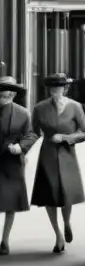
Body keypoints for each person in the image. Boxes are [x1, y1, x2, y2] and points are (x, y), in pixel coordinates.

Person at [31, 73, 85, 253]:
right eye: (52, 88)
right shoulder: (39, 108)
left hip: (67, 153)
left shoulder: (75, 106)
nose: (55, 91)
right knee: (48, 194)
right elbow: (33, 132)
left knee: (67, 193)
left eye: (59, 87)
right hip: (47, 153)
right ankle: (57, 234)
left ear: (65, 89)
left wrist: (66, 137)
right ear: (48, 89)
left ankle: (66, 222)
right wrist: (22, 151)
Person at [0, 76, 38, 255]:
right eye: (2, 89)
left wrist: (21, 147)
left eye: (8, 89)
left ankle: (5, 240)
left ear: (14, 93)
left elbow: (30, 134)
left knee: (10, 203)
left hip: (11, 161)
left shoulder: (22, 113)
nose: (4, 93)